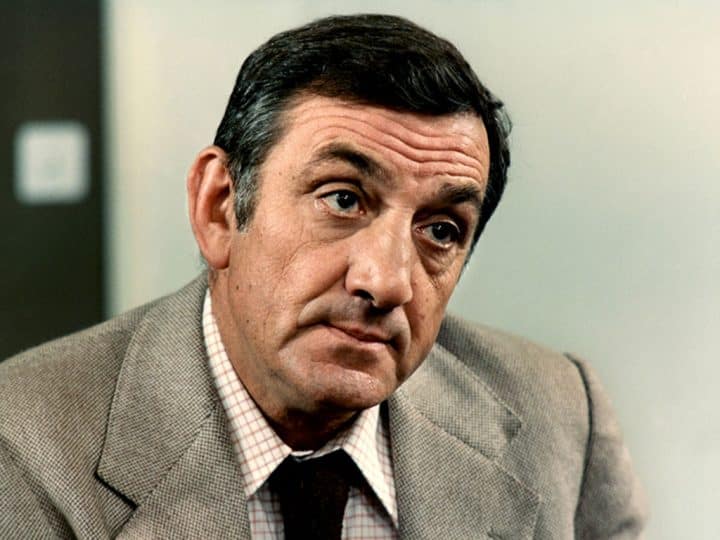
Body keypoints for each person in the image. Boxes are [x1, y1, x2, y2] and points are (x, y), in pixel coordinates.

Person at [0, 14, 646, 539]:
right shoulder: (24, 445)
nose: (387, 282)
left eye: (441, 230)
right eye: (343, 199)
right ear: (220, 208)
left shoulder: (561, 415)